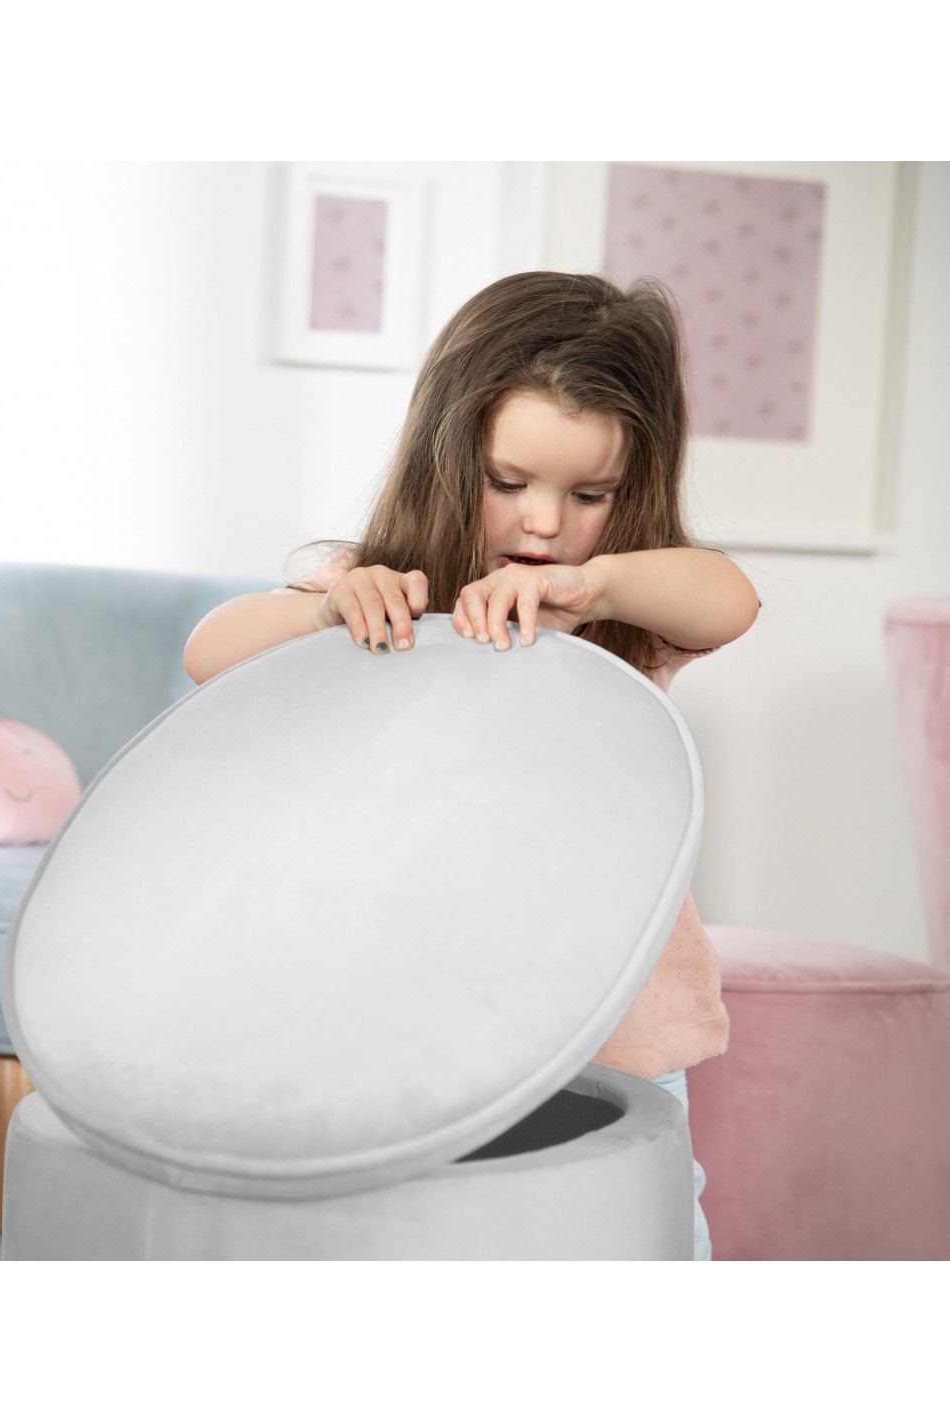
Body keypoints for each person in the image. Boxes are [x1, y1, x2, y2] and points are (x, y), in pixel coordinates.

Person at [184, 271, 760, 1259]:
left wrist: (597, 585)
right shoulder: (382, 590)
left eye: (589, 495)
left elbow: (728, 598)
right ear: (450, 461)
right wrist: (326, 614)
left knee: (646, 1234)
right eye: (509, 484)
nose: (544, 524)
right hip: (419, 1019)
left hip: (613, 1025)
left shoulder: (620, 614)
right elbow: (210, 650)